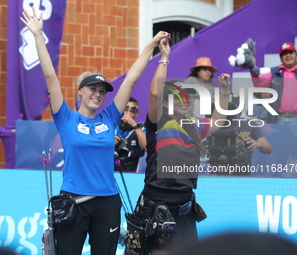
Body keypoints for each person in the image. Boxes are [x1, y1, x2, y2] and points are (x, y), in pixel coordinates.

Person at [20, 7, 171, 255]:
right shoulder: (65, 116)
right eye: (93, 89)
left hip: (107, 203)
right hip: (73, 202)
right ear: (80, 91)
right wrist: (37, 34)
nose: (98, 94)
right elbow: (49, 75)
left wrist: (153, 44)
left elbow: (132, 76)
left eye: (102, 91)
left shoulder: (110, 116)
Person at [126, 37, 231, 255]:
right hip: (158, 209)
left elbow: (219, 121)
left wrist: (225, 92)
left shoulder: (194, 125)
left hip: (186, 210)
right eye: (178, 97)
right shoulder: (157, 124)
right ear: (165, 103)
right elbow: (155, 93)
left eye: (188, 97)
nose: (185, 101)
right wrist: (164, 58)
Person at [251, 42, 297, 124]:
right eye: (284, 54)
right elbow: (260, 85)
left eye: (290, 52)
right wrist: (252, 68)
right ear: (280, 59)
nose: (288, 55)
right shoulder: (273, 72)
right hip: (278, 118)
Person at [114, 97, 146, 172]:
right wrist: (109, 142)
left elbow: (147, 146)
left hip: (131, 178)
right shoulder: (111, 127)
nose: (128, 114)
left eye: (132, 111)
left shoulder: (141, 128)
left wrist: (134, 125)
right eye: (125, 109)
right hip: (109, 176)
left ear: (136, 113)